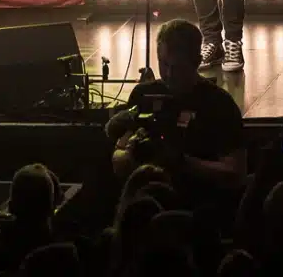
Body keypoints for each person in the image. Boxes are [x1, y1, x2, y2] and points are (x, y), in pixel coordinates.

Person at [105, 20, 246, 218]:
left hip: (197, 212)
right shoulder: (143, 95)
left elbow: (236, 173)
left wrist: (181, 162)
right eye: (164, 64)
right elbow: (119, 155)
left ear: (196, 62)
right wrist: (130, 155)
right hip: (145, 208)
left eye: (178, 67)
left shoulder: (218, 104)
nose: (169, 74)